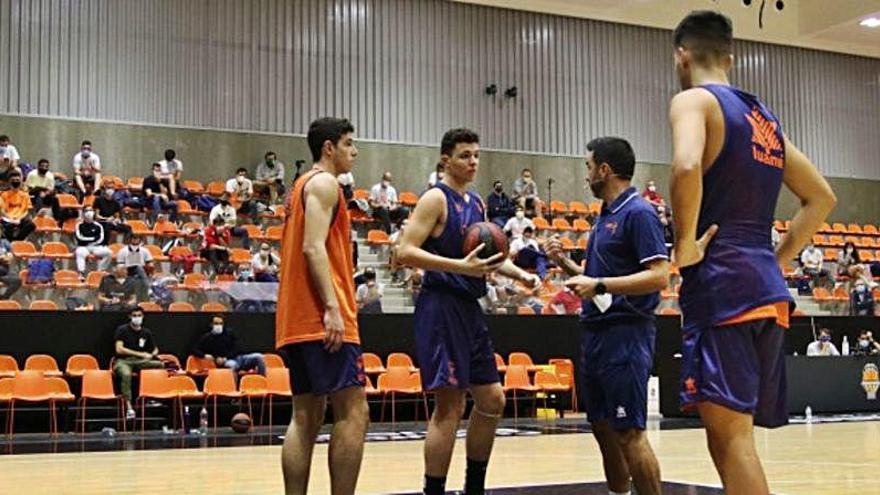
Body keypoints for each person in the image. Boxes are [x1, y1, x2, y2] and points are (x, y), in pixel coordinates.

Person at [669, 11, 836, 495]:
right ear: (731, 58)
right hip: (763, 287)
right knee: (726, 438)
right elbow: (822, 197)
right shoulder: (764, 119)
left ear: (682, 54)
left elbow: (684, 165)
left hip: (723, 288)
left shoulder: (694, 101)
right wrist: (777, 261)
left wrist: (683, 246)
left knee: (733, 438)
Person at [396, 128, 541, 495]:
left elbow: (486, 259)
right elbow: (405, 252)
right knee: (450, 405)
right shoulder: (434, 199)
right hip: (441, 305)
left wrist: (521, 274)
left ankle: (474, 486)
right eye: (464, 155)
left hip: (469, 306)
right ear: (446, 160)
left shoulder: (477, 203)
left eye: (476, 155)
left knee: (493, 399)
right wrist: (459, 267)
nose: (473, 161)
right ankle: (434, 491)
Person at [546, 137, 668, 495]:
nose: (585, 176)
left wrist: (599, 284)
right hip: (596, 332)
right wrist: (567, 265)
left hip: (626, 333)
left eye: (588, 167)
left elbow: (660, 276)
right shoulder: (606, 215)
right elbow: (599, 280)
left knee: (629, 431)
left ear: (604, 169)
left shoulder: (639, 213)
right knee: (602, 428)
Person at [275, 117, 368, 495]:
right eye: (348, 143)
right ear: (328, 148)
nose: (354, 151)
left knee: (306, 415)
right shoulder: (325, 184)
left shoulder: (300, 186)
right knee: (354, 411)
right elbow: (313, 247)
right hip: (321, 316)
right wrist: (332, 307)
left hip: (295, 318)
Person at [112, 307, 165, 418]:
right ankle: (129, 406)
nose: (137, 318)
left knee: (160, 365)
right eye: (134, 315)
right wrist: (140, 354)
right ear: (130, 317)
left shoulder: (146, 332)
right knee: (126, 374)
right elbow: (119, 349)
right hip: (124, 361)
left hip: (141, 362)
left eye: (139, 315)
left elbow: (155, 349)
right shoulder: (122, 329)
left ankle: (151, 397)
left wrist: (152, 354)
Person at [192, 315, 267, 377]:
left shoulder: (230, 333)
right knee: (232, 365)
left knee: (259, 357)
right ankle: (233, 388)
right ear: (211, 324)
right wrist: (204, 355)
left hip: (239, 358)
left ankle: (263, 382)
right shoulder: (207, 337)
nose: (219, 326)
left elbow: (238, 347)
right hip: (226, 362)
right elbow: (194, 349)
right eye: (216, 323)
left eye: (221, 323)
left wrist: (226, 357)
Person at [73, 207, 112, 277]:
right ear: (83, 213)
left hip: (96, 247)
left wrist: (88, 240)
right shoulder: (79, 225)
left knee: (108, 252)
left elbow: (100, 239)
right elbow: (79, 238)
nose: (89, 212)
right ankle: (81, 272)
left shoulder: (98, 226)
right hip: (83, 247)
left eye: (90, 210)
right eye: (87, 211)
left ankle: (100, 271)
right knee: (79, 252)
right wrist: (93, 239)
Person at [116, 234, 154, 300]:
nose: (135, 240)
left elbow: (150, 263)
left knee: (139, 268)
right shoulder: (122, 251)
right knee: (137, 268)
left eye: (137, 238)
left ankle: (147, 287)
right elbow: (120, 266)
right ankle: (148, 289)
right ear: (130, 239)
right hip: (128, 272)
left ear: (140, 239)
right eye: (134, 238)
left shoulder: (145, 251)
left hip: (142, 273)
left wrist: (150, 268)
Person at [0, 171, 35, 241]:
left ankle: (17, 240)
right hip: (7, 218)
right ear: (9, 182)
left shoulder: (25, 195)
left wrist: (19, 218)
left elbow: (27, 211)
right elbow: (2, 211)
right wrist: (11, 218)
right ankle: (10, 242)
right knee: (8, 226)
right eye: (13, 180)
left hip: (20, 218)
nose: (15, 182)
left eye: (17, 180)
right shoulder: (3, 195)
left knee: (31, 225)